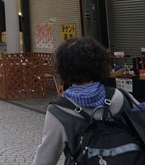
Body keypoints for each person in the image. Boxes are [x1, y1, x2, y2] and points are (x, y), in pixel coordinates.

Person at [32, 37, 138, 165]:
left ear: (63, 68)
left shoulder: (58, 111)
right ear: (100, 63)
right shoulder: (120, 97)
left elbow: (45, 160)